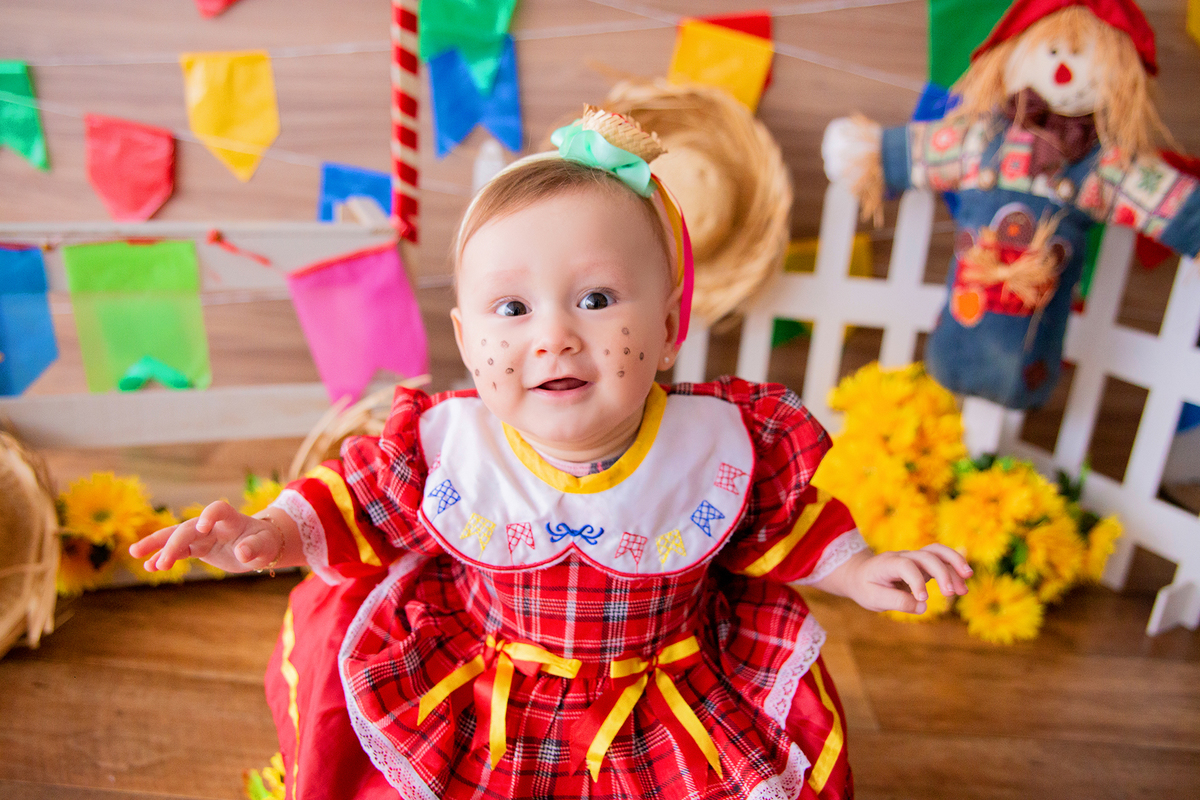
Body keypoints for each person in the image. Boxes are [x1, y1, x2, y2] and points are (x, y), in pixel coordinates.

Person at [132, 107, 971, 800]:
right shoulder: (449, 447)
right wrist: (268, 531)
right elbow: (355, 496)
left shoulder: (712, 446)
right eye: (512, 309)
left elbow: (786, 526)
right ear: (467, 339)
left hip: (664, 689)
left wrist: (863, 569)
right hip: (491, 690)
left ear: (669, 328)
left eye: (597, 299)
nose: (555, 337)